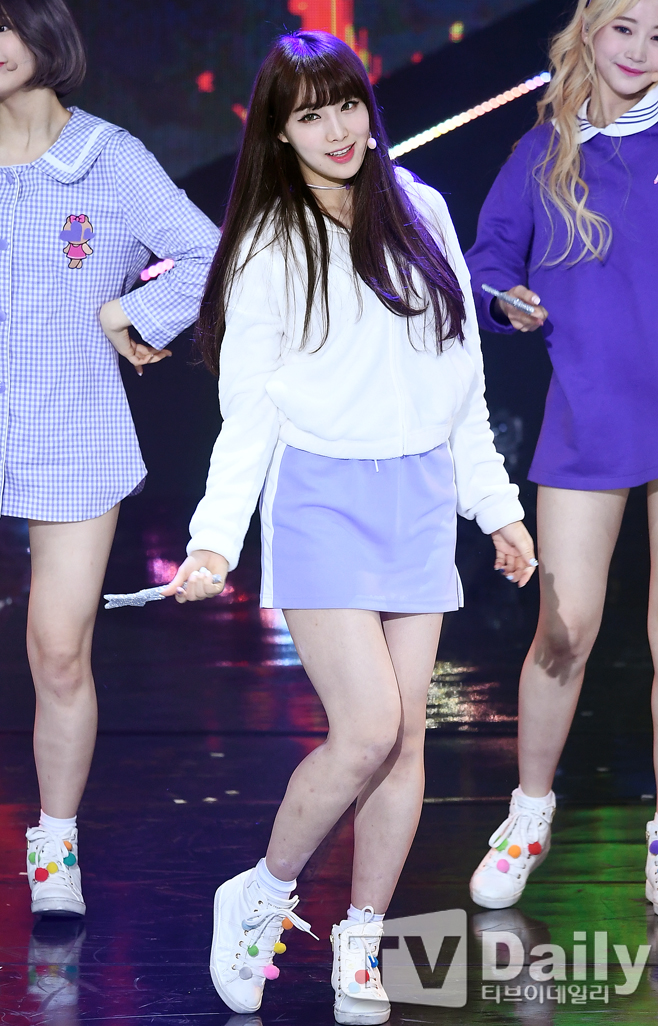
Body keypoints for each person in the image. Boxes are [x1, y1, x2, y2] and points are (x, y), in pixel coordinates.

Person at [163, 29, 536, 1024]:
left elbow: (460, 381)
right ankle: (262, 892)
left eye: (345, 105)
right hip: (321, 496)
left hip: (420, 498)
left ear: (369, 108)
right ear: (279, 133)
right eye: (309, 114)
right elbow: (248, 412)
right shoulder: (268, 245)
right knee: (368, 728)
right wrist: (213, 539)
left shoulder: (423, 210)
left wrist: (495, 507)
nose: (334, 129)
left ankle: (361, 940)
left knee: (406, 743)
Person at [0, 0, 219, 917]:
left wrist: (133, 314)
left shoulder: (107, 157)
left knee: (58, 652)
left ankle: (55, 844)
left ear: (39, 31)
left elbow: (206, 254)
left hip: (71, 428)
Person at [465, 0, 658, 911]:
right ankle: (530, 810)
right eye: (625, 27)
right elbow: (488, 261)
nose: (641, 50)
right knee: (566, 628)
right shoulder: (545, 152)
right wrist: (506, 298)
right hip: (589, 415)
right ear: (589, 28)